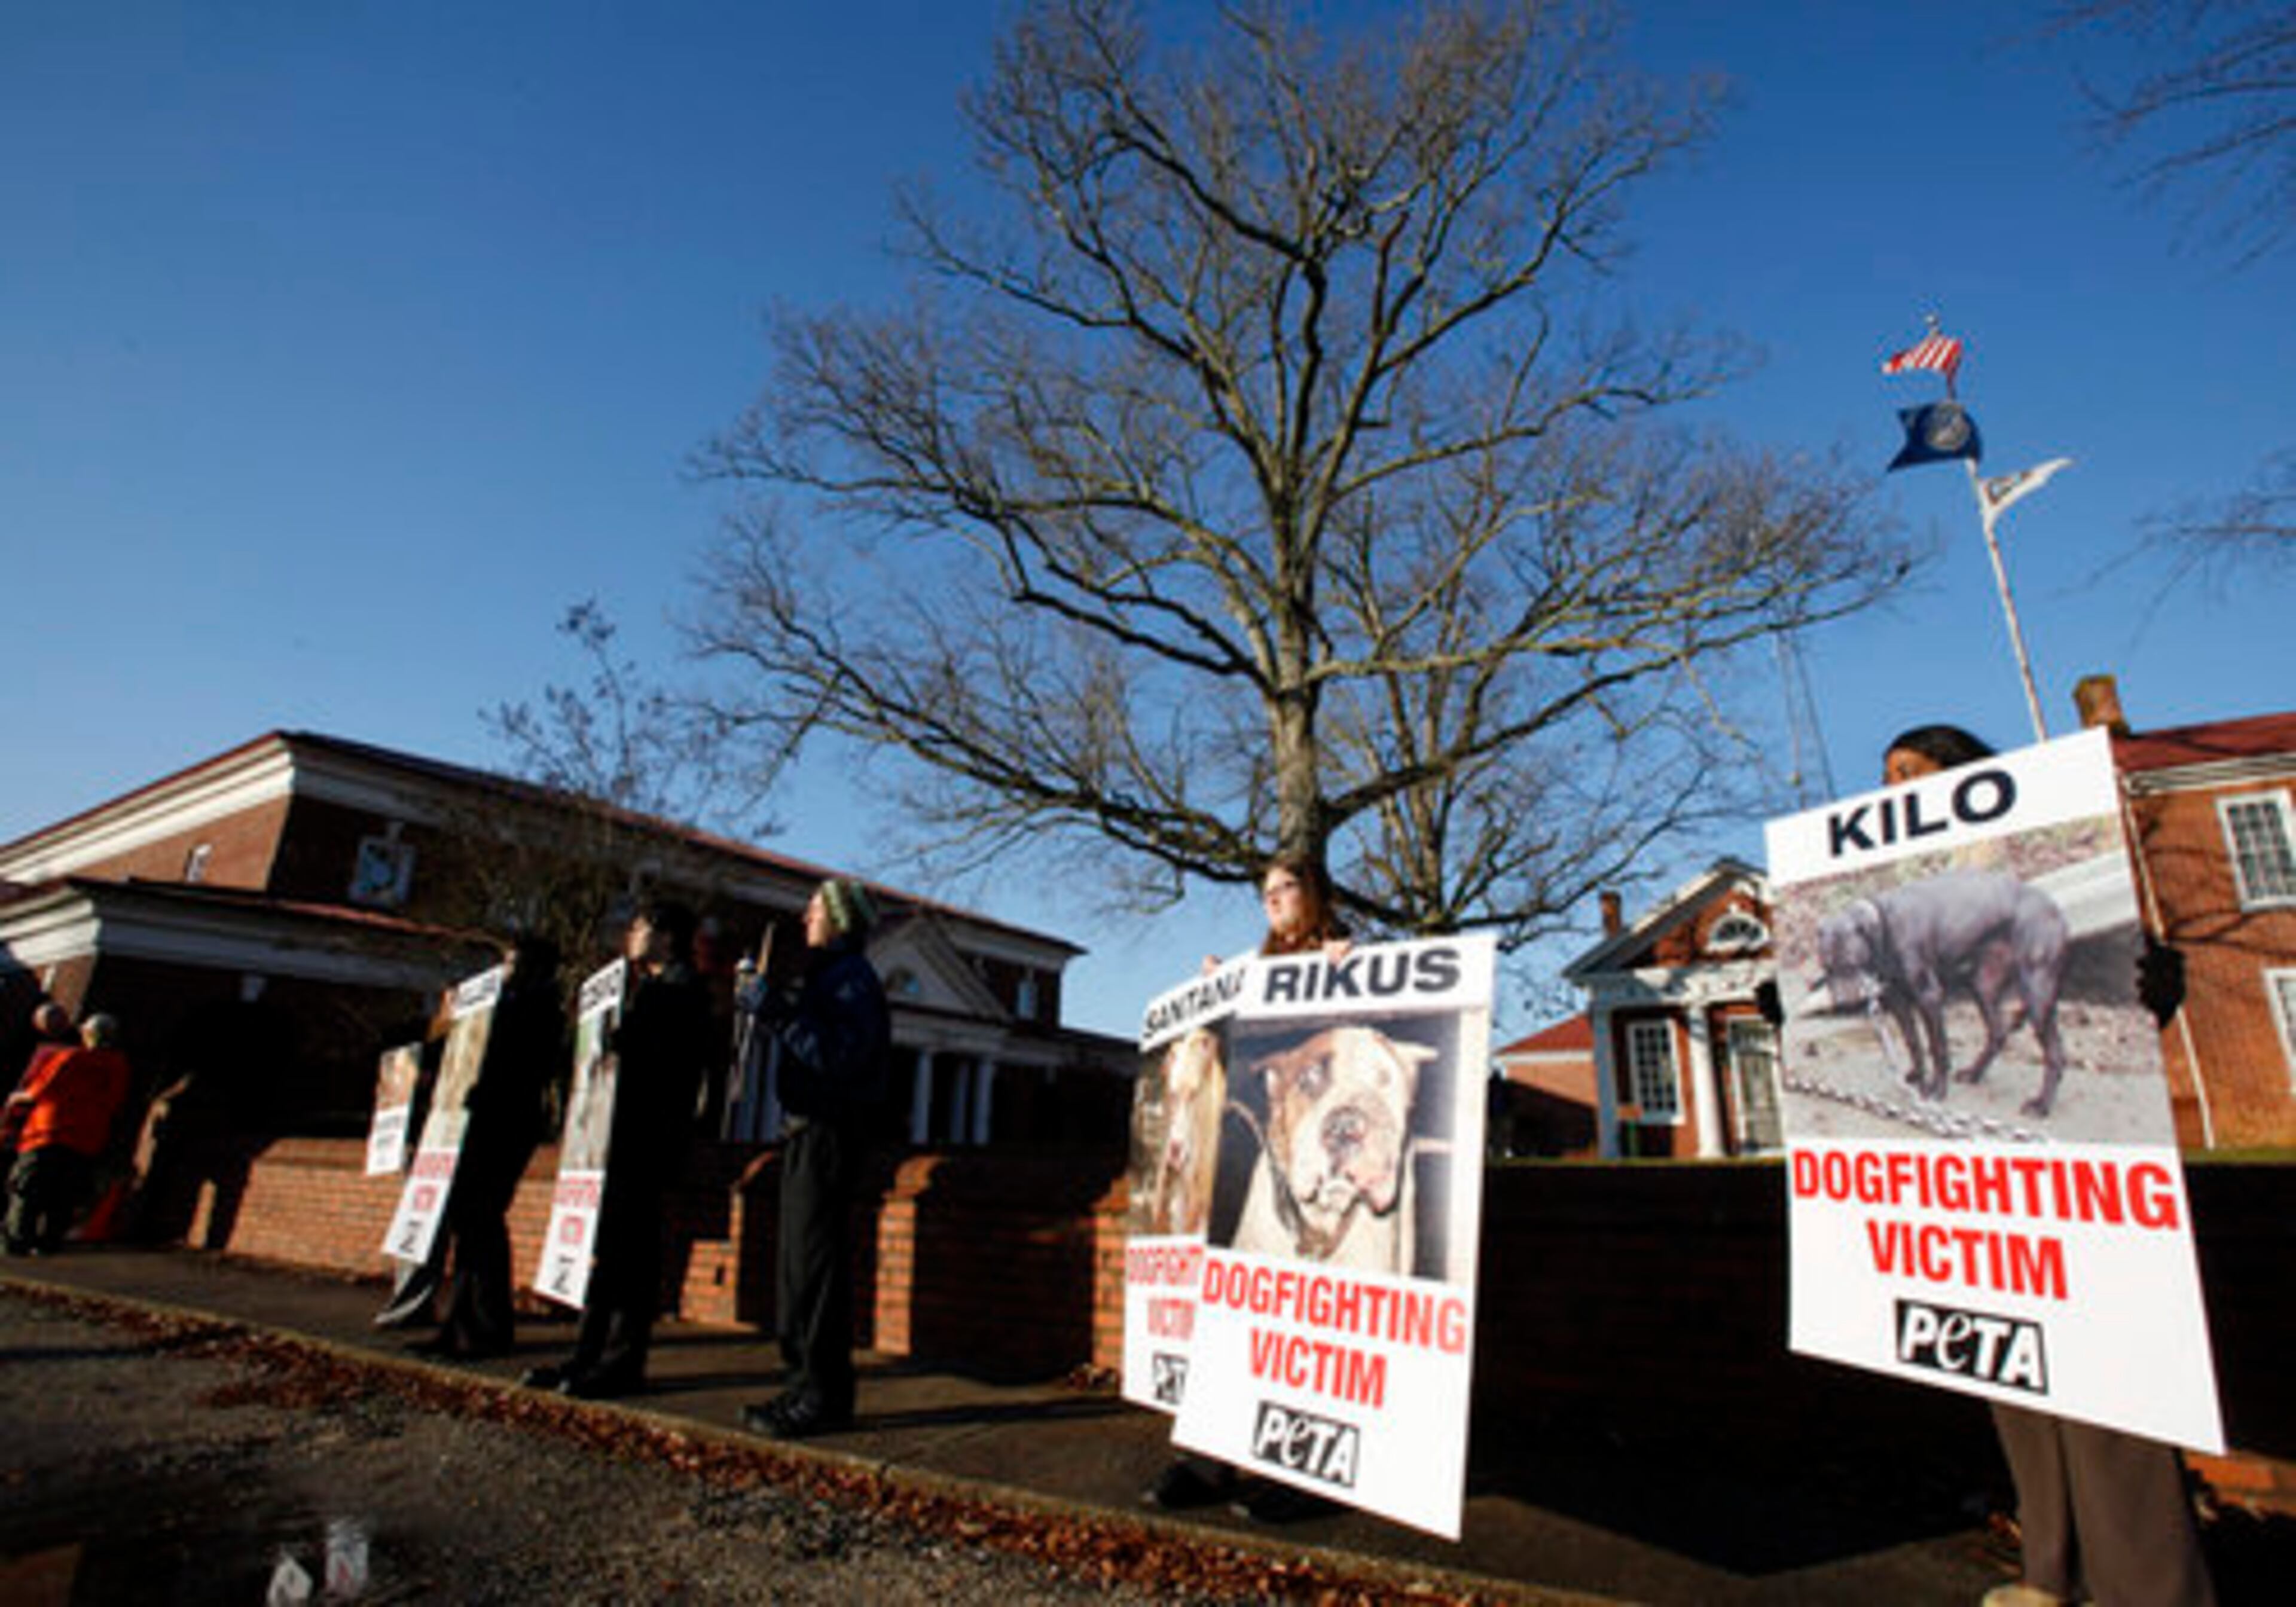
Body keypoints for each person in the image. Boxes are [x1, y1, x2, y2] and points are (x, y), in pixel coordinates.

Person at [1879, 723, 2216, 1607]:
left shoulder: (2046, 868)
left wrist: (2151, 988)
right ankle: (2050, 1576)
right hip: (1982, 1174)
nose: (1896, 792)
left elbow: (2099, 985)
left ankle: (2151, 1588)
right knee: (2021, 1390)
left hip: (2076, 1172)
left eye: (1914, 775)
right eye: (1889, 781)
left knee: (2113, 1399)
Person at [1144, 853, 1351, 1520]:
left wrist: (1346, 969)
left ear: (1314, 894)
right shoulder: (1253, 968)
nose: (1275, 899)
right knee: (1231, 1311)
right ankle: (1211, 1459)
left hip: (1313, 1176)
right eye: (1266, 891)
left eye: (1288, 887)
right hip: (1244, 1159)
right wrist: (1217, 991)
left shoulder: (1348, 959)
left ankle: (1300, 1475)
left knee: (1303, 1320)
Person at [523, 901, 715, 1399]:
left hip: (646, 1144)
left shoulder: (683, 991)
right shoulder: (648, 989)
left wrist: (626, 1039)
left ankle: (621, 1362)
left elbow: (673, 1065)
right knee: (606, 1257)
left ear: (667, 938)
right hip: (617, 1141)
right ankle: (586, 1356)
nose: (631, 934)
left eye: (641, 927)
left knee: (631, 1259)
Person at [738, 876, 892, 1440]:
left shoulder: (852, 979)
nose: (805, 920)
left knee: (815, 1270)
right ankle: (802, 1384)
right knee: (797, 1269)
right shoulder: (830, 976)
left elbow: (843, 1057)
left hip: (829, 1132)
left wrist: (780, 1013)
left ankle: (822, 1395)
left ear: (839, 919)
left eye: (813, 911)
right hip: (808, 1132)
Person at [414, 937, 566, 1361]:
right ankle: (459, 1323)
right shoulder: (509, 1005)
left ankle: (486, 1327)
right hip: (477, 1122)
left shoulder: (539, 1011)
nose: (504, 970)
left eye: (513, 963)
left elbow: (517, 1065)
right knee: (468, 1224)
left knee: (482, 1221)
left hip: (504, 1125)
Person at [4, 1013, 132, 1256]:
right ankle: (50, 1243)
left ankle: (17, 1243)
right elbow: (115, 1102)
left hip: (47, 1133)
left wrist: (14, 1098)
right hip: (86, 1139)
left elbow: (37, 1092)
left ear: (88, 1035)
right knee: (63, 1197)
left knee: (28, 1191)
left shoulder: (69, 1057)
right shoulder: (118, 1065)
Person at [373, 984, 459, 1330]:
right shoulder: (418, 1038)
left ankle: (413, 1303)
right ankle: (409, 1301)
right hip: (419, 1142)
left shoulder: (462, 1042)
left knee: (428, 1228)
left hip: (443, 1144)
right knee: (416, 1226)